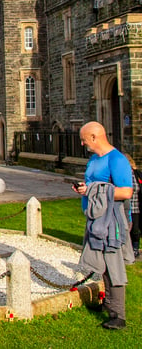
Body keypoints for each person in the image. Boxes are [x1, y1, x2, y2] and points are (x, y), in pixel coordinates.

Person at [73, 121, 134, 330]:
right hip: (96, 218)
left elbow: (126, 192)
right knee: (104, 265)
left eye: (83, 139)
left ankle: (119, 316)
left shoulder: (117, 160)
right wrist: (85, 189)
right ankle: (107, 304)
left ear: (94, 137)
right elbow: (94, 184)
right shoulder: (93, 159)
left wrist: (91, 191)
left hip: (112, 220)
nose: (82, 143)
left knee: (113, 265)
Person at [123, 153, 141, 258]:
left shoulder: (135, 173)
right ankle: (127, 249)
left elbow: (136, 188)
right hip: (125, 205)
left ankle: (135, 248)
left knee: (135, 229)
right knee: (126, 227)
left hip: (135, 205)